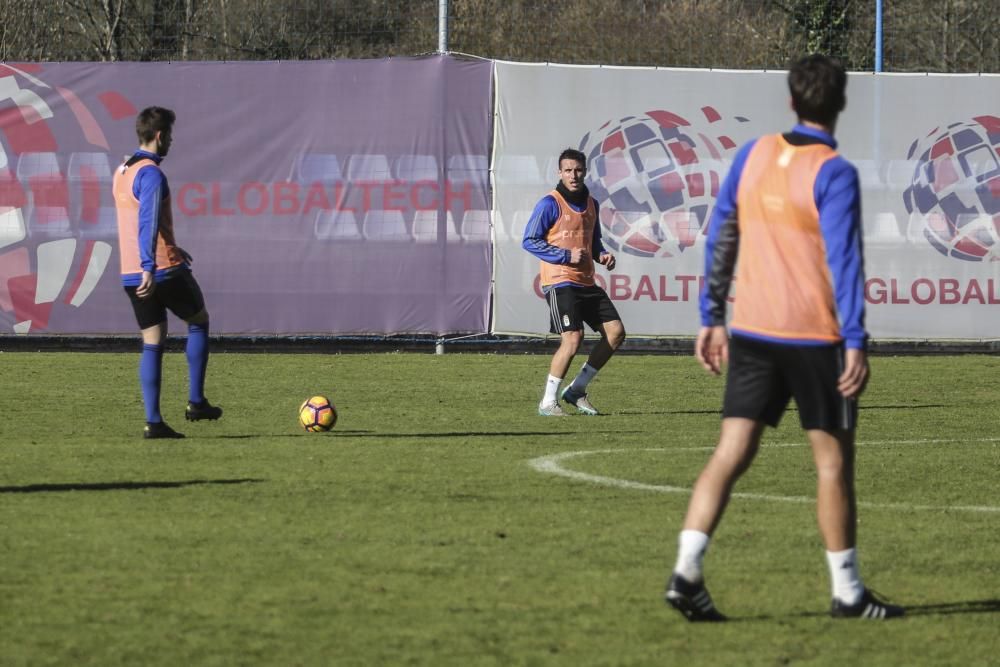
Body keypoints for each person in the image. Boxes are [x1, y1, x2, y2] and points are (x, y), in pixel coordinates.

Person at [664, 55, 904, 621]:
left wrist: (711, 315)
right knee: (831, 465)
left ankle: (686, 571)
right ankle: (848, 592)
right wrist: (855, 340)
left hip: (753, 329)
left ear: (792, 101)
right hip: (815, 336)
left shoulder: (754, 154)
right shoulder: (835, 170)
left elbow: (721, 231)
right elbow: (846, 262)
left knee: (730, 452)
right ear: (840, 104)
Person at [113, 106, 222, 439]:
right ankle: (196, 402)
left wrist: (163, 250)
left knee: (153, 341)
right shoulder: (152, 174)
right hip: (159, 269)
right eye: (170, 135)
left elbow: (138, 220)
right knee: (199, 320)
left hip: (131, 273)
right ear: (160, 136)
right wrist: (151, 263)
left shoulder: (123, 170)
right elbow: (146, 220)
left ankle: (154, 422)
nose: (171, 141)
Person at [522, 148, 625, 416]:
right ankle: (547, 402)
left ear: (585, 171)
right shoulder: (549, 203)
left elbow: (592, 242)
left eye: (578, 170)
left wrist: (601, 255)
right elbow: (529, 240)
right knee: (573, 338)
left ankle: (577, 390)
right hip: (559, 281)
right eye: (568, 170)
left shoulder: (592, 203)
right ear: (560, 173)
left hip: (586, 281)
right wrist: (565, 255)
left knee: (615, 333)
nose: (573, 175)